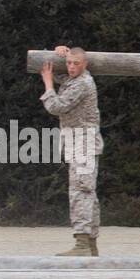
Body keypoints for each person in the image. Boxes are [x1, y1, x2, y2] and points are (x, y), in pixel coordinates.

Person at [39, 45, 103, 257]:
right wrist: (60, 51)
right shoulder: (73, 79)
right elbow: (63, 77)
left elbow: (57, 106)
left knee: (81, 192)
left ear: (85, 64)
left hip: (83, 142)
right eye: (69, 63)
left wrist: (47, 84)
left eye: (76, 63)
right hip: (78, 142)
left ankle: (83, 243)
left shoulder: (83, 83)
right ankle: (90, 244)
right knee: (87, 192)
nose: (71, 67)